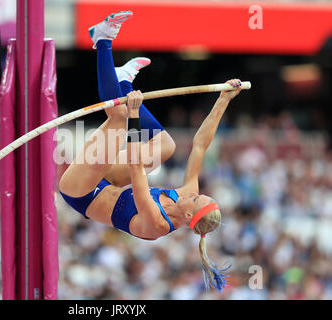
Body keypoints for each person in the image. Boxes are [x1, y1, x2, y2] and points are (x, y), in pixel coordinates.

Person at [59, 11, 242, 291]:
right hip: (112, 182)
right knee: (166, 145)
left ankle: (103, 40)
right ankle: (122, 82)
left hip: (81, 193)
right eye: (198, 194)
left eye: (194, 199)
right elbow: (200, 145)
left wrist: (133, 114)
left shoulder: (157, 223)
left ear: (188, 217)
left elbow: (135, 167)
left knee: (119, 116)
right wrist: (223, 100)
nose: (192, 193)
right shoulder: (184, 194)